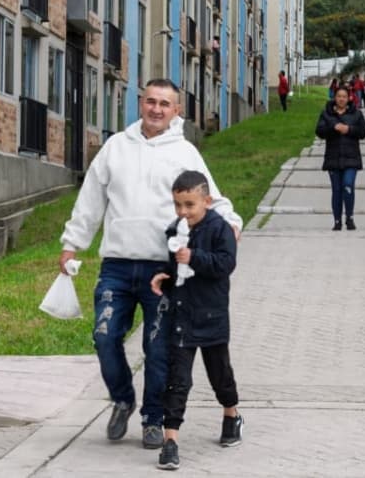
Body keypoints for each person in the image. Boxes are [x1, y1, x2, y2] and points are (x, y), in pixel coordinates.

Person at [59, 79, 243, 450]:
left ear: (176, 111)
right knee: (104, 337)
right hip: (117, 265)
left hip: (163, 269)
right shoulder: (115, 147)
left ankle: (153, 419)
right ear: (140, 103)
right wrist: (72, 244)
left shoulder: (184, 152)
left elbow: (209, 196)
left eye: (164, 104)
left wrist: (232, 222)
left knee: (159, 349)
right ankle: (123, 399)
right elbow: (91, 199)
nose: (156, 109)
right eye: (150, 101)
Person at [151, 171, 243, 471]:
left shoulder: (220, 229)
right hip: (182, 315)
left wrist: (194, 257)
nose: (183, 212)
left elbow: (225, 264)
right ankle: (170, 442)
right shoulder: (176, 229)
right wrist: (164, 278)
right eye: (178, 205)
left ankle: (231, 414)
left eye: (189, 205)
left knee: (220, 375)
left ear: (207, 200)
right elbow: (175, 265)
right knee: (178, 380)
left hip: (212, 315)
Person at [315, 87, 365, 231]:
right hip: (333, 158)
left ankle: (349, 218)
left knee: (348, 185)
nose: (341, 99)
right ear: (335, 97)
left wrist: (349, 129)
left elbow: (364, 132)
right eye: (339, 96)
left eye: (344, 96)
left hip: (351, 158)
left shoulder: (356, 114)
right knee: (336, 190)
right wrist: (334, 128)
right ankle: (337, 221)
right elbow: (319, 131)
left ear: (349, 98)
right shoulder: (327, 114)